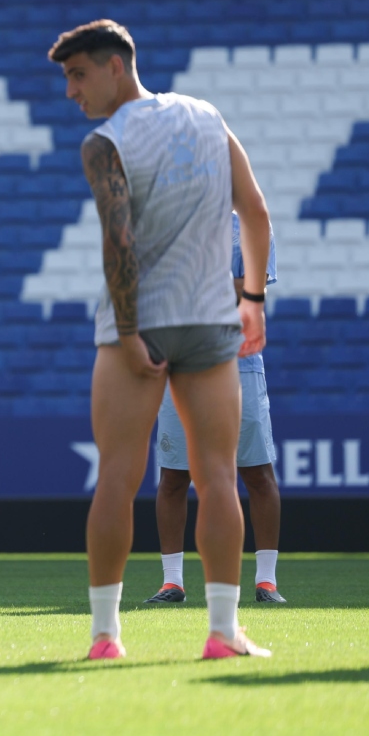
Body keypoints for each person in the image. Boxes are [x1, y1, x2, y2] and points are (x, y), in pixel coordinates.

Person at [55, 20, 273, 662]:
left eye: (78, 74)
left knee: (117, 479)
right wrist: (253, 298)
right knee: (218, 478)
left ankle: (105, 636)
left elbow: (118, 239)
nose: (71, 91)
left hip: (139, 322)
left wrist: (126, 332)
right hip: (209, 318)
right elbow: (255, 210)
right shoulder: (208, 116)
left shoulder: (104, 141)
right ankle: (224, 632)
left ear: (115, 67)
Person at [146, 213, 285, 606]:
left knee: (257, 472)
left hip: (240, 360)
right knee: (174, 475)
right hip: (180, 362)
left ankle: (267, 581)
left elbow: (252, 293)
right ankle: (172, 581)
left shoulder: (252, 225)